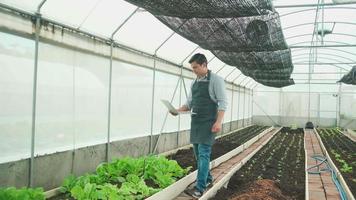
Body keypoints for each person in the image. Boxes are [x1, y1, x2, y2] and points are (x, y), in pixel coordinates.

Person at [170, 53, 228, 198]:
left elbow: (223, 102)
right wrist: (177, 110)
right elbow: (189, 104)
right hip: (196, 123)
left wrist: (218, 121)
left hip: (209, 123)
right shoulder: (194, 83)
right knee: (198, 154)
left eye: (195, 67)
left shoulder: (216, 80)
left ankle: (199, 188)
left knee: (203, 154)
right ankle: (208, 179)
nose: (193, 70)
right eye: (192, 68)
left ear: (204, 65)